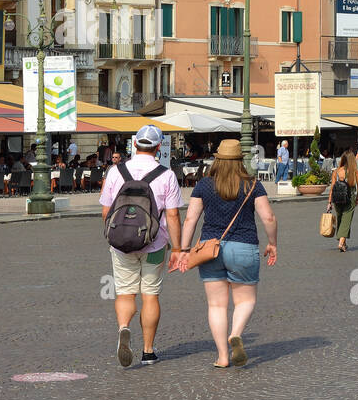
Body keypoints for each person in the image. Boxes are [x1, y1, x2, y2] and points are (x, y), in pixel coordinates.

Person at [177, 138, 277, 368]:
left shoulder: (203, 185)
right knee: (246, 300)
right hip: (244, 247)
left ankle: (222, 356)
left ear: (217, 159)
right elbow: (269, 218)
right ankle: (236, 334)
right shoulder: (252, 185)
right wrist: (272, 243)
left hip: (210, 249)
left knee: (216, 306)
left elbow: (191, 219)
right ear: (241, 160)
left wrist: (184, 249)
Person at [99, 125, 183, 368]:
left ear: (134, 145)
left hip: (121, 244)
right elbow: (174, 215)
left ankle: (124, 327)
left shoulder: (116, 171)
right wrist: (177, 249)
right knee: (150, 295)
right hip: (155, 244)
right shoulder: (166, 175)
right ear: (158, 148)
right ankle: (148, 351)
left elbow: (106, 210)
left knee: (125, 292)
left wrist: (115, 235)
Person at [327, 151, 358, 252]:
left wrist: (329, 202)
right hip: (349, 197)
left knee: (340, 219)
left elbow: (332, 188)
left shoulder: (336, 171)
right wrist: (357, 198)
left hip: (337, 199)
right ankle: (341, 242)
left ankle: (343, 243)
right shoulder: (354, 171)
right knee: (346, 220)